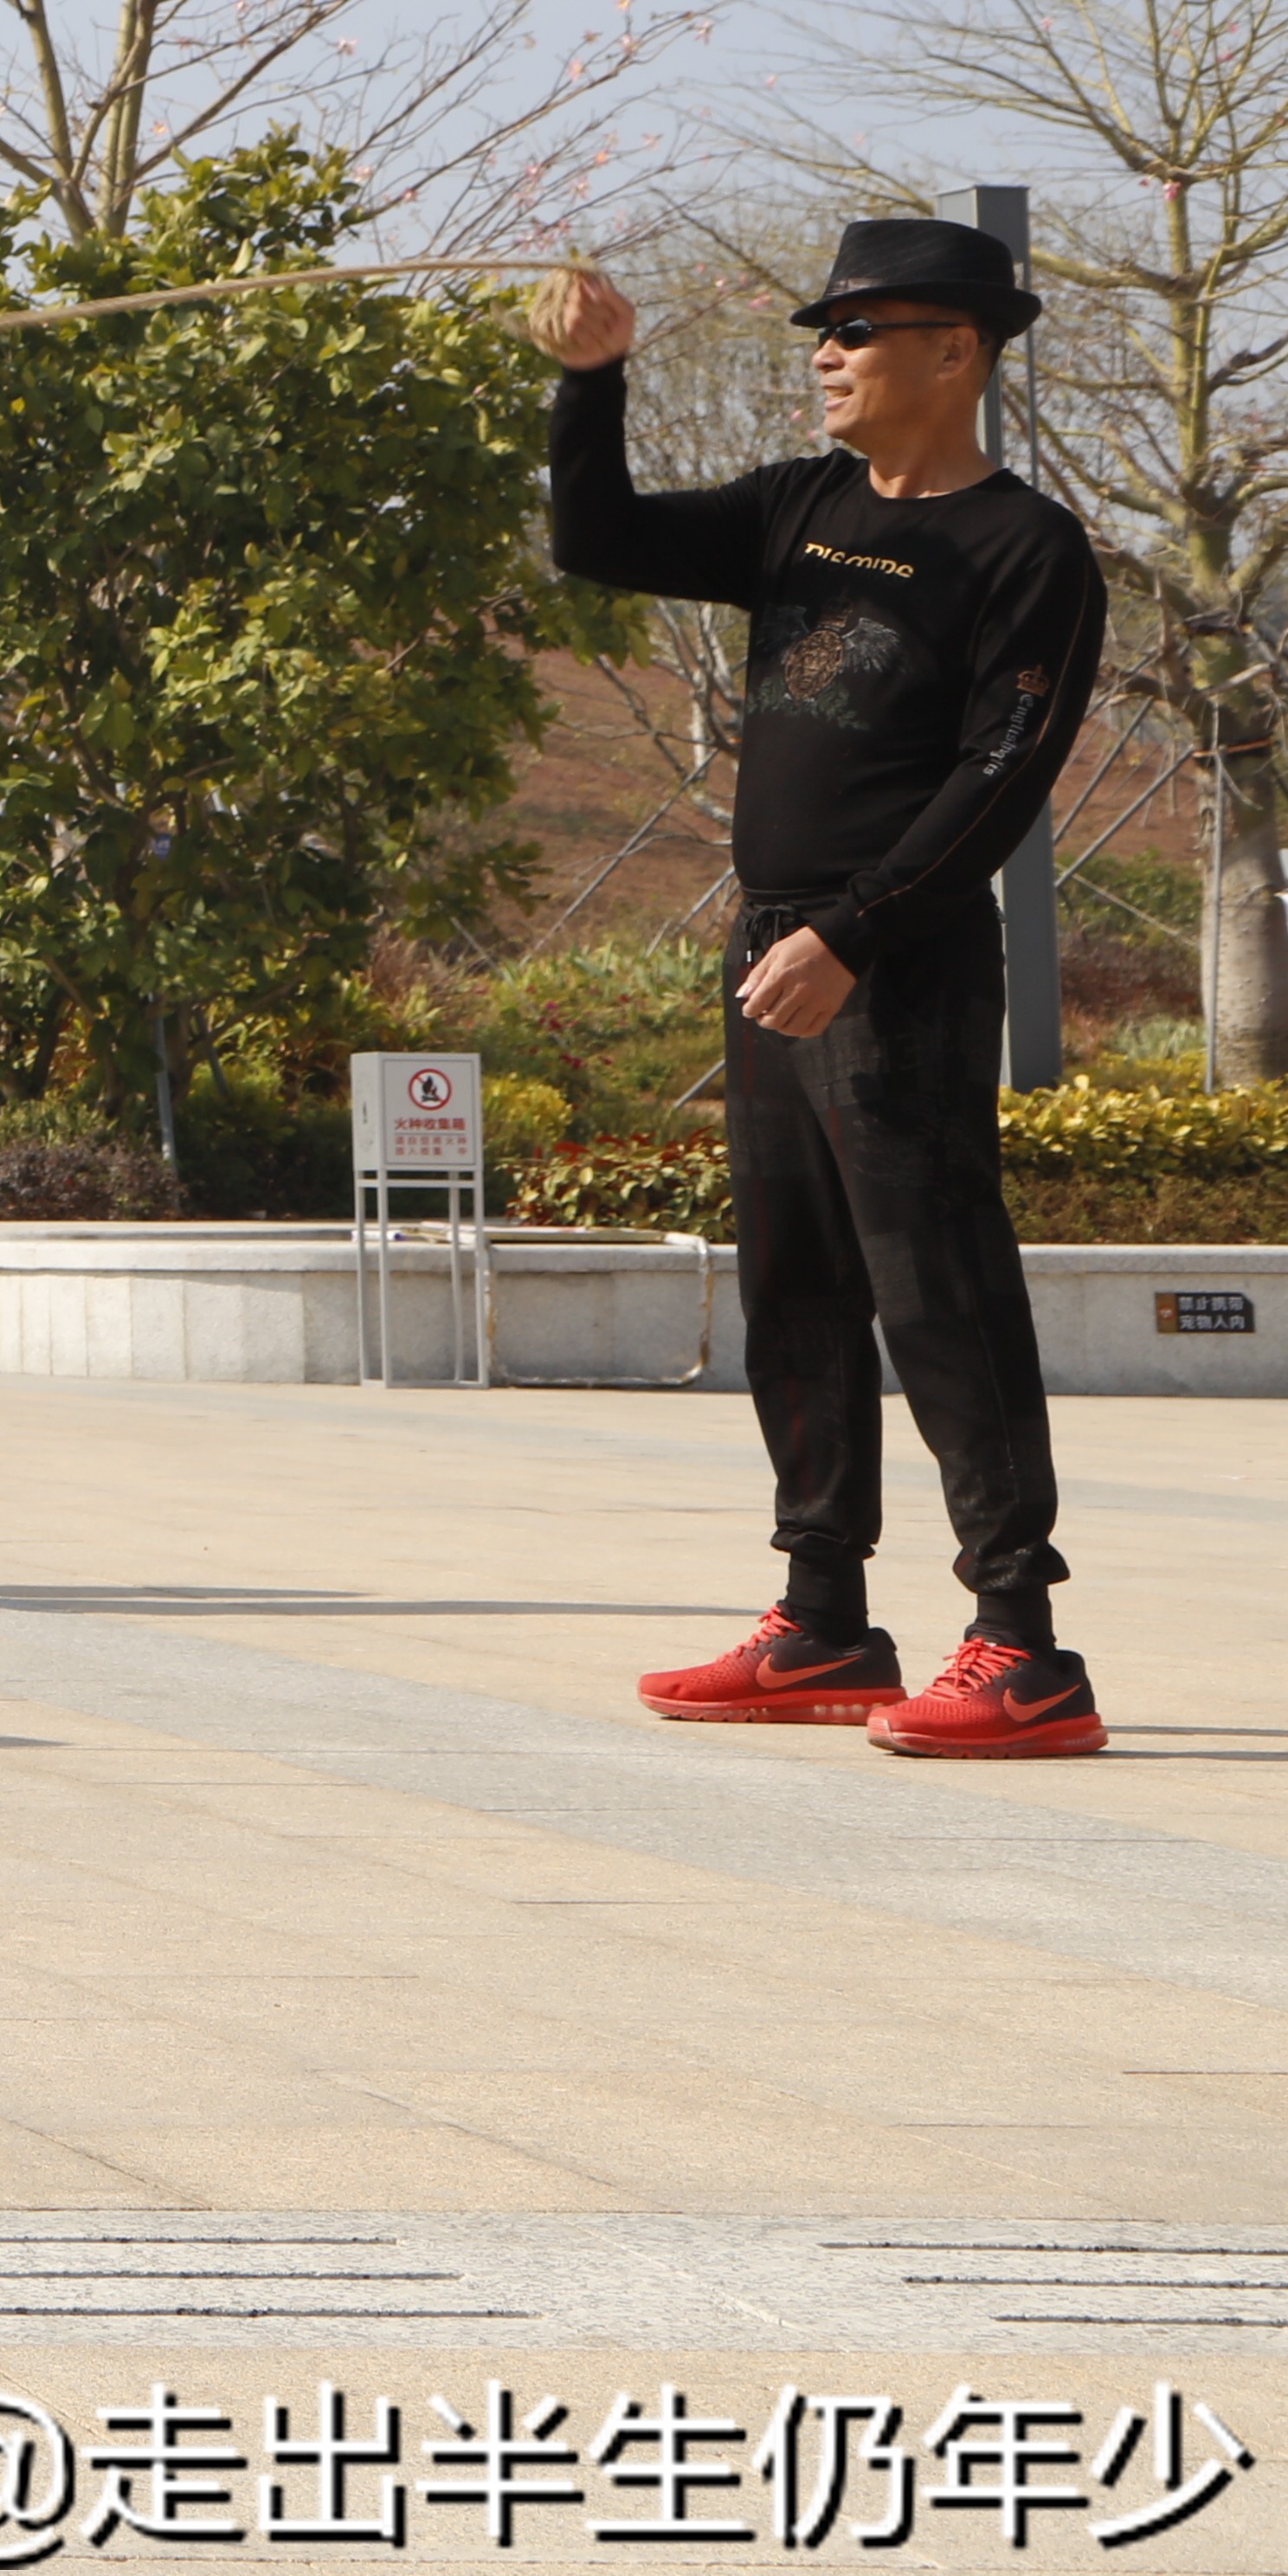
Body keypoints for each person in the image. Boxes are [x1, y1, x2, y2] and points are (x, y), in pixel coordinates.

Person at [537, 221, 1111, 1759]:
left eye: (865, 330)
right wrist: (594, 385)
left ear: (958, 351)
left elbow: (1006, 776)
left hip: (897, 961)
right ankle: (826, 1619)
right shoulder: (801, 506)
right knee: (793, 1289)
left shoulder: (1026, 549)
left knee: (941, 1293)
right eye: (827, 329)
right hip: (773, 947)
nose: (830, 353)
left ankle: (1023, 1643)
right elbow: (599, 543)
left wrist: (856, 930)